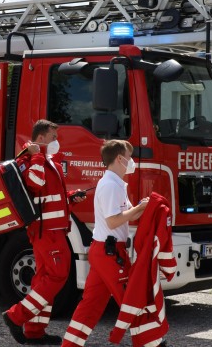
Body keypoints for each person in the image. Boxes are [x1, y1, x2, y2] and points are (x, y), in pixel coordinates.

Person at [61, 139, 157, 347]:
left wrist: (142, 207)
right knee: (132, 299)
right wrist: (139, 209)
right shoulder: (111, 186)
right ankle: (152, 344)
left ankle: (70, 345)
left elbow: (124, 214)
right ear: (120, 159)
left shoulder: (116, 184)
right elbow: (114, 221)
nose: (132, 161)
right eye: (129, 157)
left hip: (105, 250)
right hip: (110, 253)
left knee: (91, 305)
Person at [2, 119, 86, 345]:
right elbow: (35, 184)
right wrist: (36, 155)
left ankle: (34, 332)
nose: (57, 142)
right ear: (40, 139)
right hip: (47, 232)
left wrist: (71, 198)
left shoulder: (49, 162)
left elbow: (48, 199)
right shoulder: (34, 161)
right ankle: (15, 316)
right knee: (57, 276)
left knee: (43, 280)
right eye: (53, 138)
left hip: (53, 230)